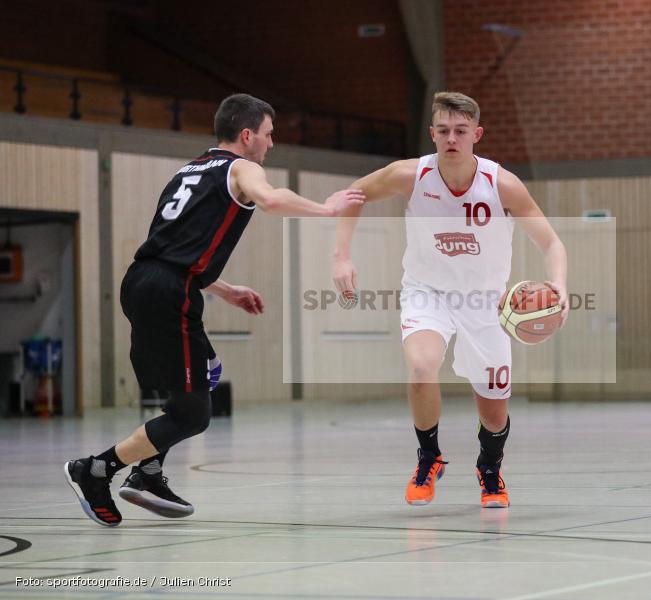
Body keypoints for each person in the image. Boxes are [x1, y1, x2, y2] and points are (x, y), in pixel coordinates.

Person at [64, 93, 365, 526]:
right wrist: (326, 208)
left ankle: (147, 471)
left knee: (203, 374)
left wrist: (224, 290)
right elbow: (273, 199)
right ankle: (96, 470)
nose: (271, 144)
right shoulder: (242, 167)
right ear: (247, 135)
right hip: (171, 292)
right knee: (193, 413)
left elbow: (176, 247)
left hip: (146, 281)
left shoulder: (187, 169)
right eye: (267, 135)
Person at [332, 91, 568, 508]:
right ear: (433, 134)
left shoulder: (503, 184)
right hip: (428, 292)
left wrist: (560, 288)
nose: (451, 139)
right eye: (443, 131)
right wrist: (342, 257)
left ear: (476, 134)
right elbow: (355, 194)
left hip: (486, 303)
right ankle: (429, 457)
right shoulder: (411, 175)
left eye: (460, 131)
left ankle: (490, 468)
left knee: (493, 412)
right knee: (422, 367)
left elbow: (551, 242)